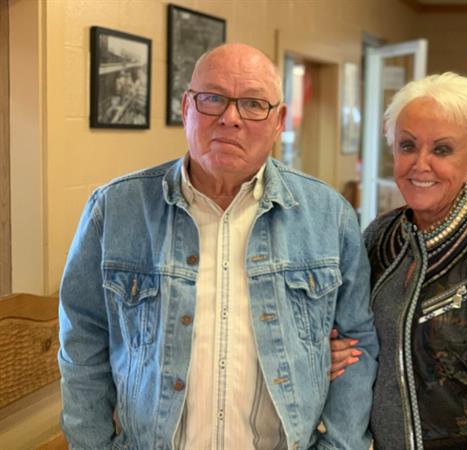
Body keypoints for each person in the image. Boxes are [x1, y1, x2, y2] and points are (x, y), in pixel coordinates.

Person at [58, 43, 378, 450]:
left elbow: (356, 344)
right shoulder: (116, 209)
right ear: (186, 106)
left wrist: (339, 445)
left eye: (253, 104)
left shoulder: (328, 215)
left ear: (279, 120)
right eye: (212, 99)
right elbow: (81, 341)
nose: (230, 118)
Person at [331, 72, 467, 449]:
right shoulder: (380, 237)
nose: (420, 164)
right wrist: (332, 351)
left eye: (442, 150)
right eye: (407, 145)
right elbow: (353, 337)